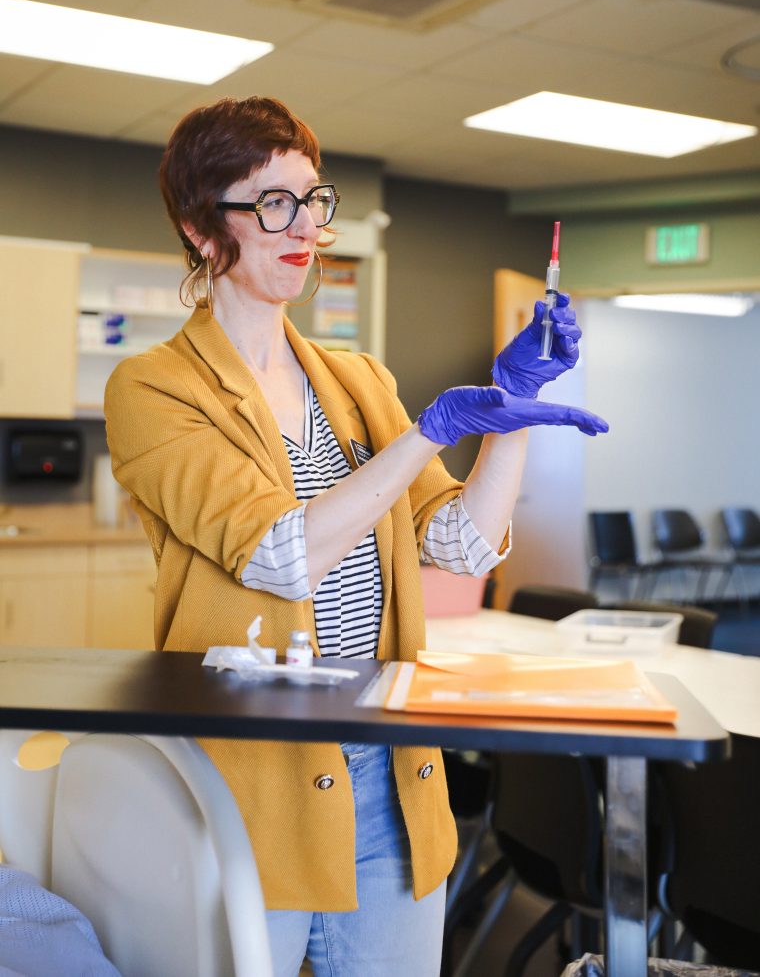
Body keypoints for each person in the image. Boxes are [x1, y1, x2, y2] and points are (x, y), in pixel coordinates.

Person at [104, 95, 608, 977]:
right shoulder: (153, 390)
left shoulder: (358, 380)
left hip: (389, 775)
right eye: (271, 203)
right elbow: (278, 555)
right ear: (197, 227)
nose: (305, 227)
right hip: (250, 781)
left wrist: (511, 415)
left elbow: (459, 546)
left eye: (313, 199)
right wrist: (426, 434)